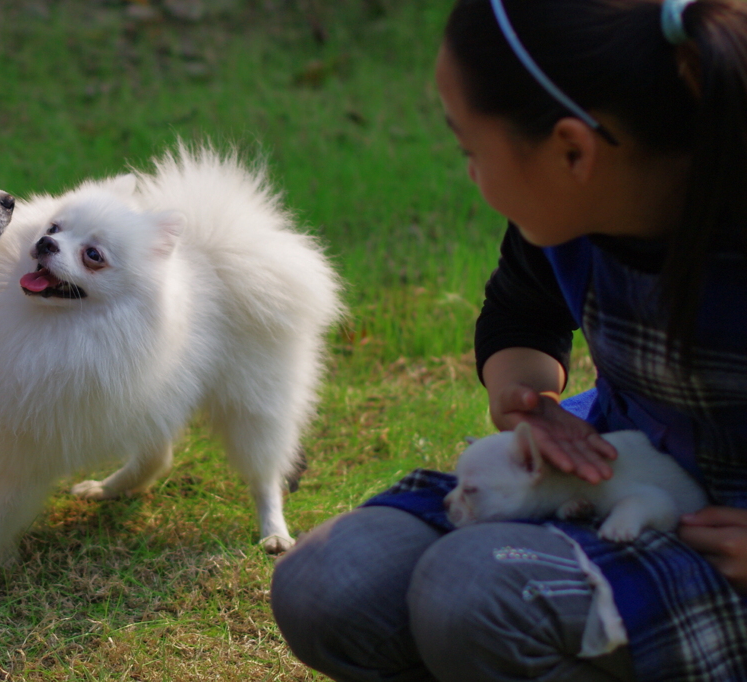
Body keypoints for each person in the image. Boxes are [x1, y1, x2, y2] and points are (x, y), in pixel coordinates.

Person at [270, 0, 747, 680]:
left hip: (721, 546)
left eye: (471, 150)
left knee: (470, 593)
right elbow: (521, 316)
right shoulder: (567, 215)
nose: (468, 174)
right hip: (606, 486)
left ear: (571, 150)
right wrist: (527, 394)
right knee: (326, 584)